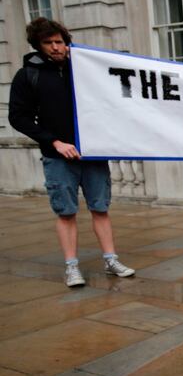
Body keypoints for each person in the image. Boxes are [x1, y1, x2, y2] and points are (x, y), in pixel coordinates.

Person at [9, 18, 136, 287]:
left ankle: (111, 259)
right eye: (49, 43)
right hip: (58, 156)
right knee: (66, 212)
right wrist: (54, 142)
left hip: (93, 154)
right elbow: (18, 117)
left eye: (60, 41)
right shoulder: (28, 75)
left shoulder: (85, 70)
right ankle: (71, 266)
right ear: (38, 45)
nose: (56, 47)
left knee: (100, 208)